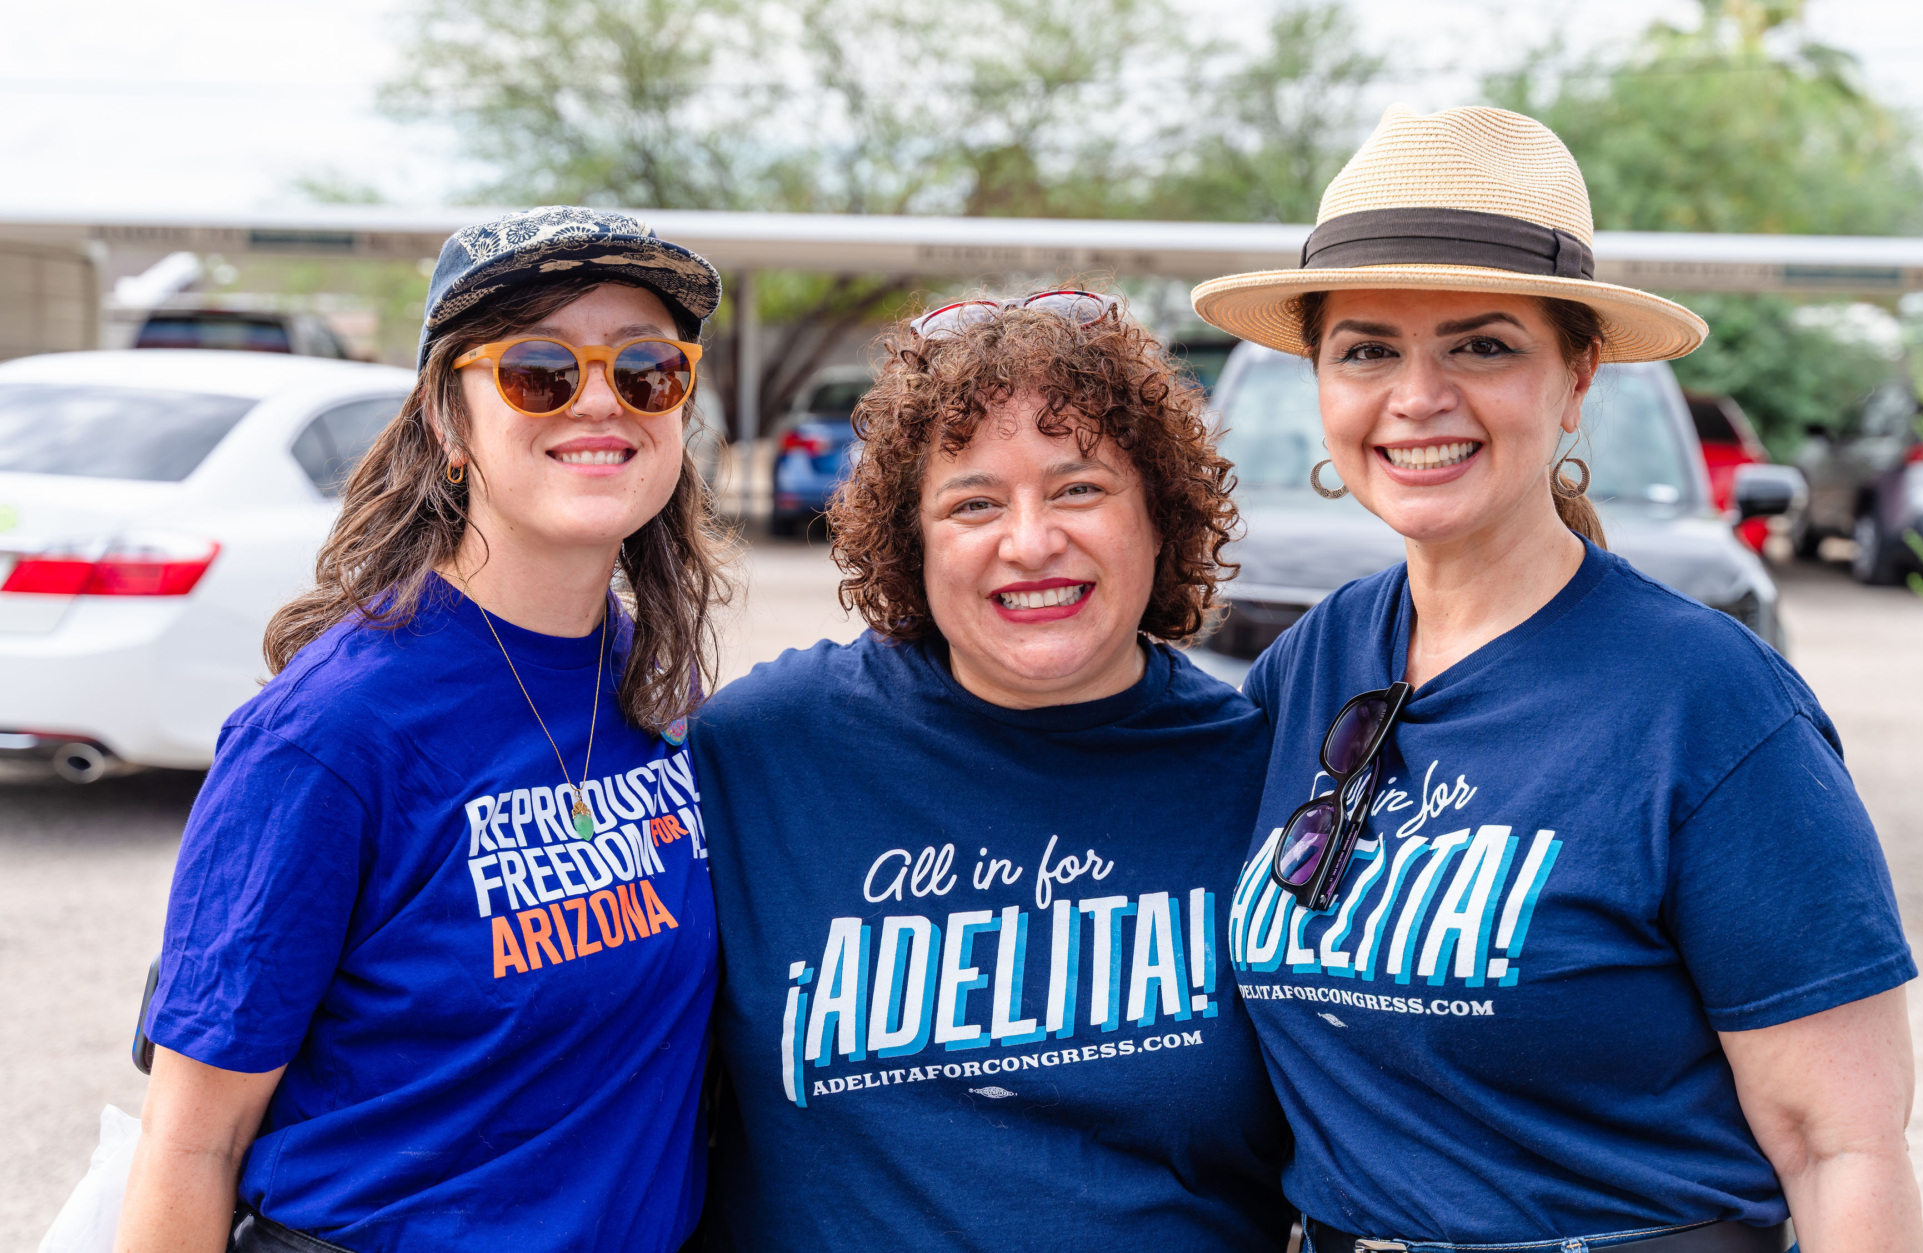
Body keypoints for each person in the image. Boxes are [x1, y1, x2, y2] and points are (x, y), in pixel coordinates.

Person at [1189, 107, 1922, 1253]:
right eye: (1366, 347)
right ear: (1319, 382)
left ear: (1576, 377)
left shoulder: (1706, 704)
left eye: (1481, 346)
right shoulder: (1313, 665)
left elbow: (1841, 1150)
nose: (1415, 396)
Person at [119, 207, 732, 1253]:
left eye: (646, 371)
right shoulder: (329, 734)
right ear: (449, 424)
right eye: (539, 370)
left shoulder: (642, 683)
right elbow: (191, 1145)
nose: (599, 400)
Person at [690, 291, 1292, 1251]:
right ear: (911, 537)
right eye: (972, 502)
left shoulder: (1260, 771)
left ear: (1160, 514)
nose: (1030, 540)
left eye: (1078, 488)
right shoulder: (759, 752)